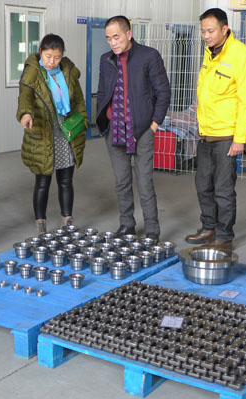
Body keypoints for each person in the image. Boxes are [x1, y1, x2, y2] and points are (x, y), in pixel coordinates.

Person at [185, 8, 246, 250]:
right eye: (203, 31)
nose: (205, 36)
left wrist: (240, 139)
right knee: (203, 184)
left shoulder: (242, 56)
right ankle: (209, 227)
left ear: (224, 29)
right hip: (205, 133)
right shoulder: (210, 54)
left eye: (210, 31)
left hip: (227, 136)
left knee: (223, 189)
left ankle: (224, 237)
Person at [96, 16, 171, 242]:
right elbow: (103, 92)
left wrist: (154, 125)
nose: (112, 42)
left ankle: (152, 230)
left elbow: (163, 92)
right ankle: (127, 225)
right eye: (108, 38)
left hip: (142, 129)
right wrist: (104, 123)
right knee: (121, 181)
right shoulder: (105, 60)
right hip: (115, 129)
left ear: (128, 34)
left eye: (116, 37)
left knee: (144, 181)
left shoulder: (149, 56)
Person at [17, 34, 89, 235]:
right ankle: (41, 222)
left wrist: (83, 119)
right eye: (48, 56)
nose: (52, 62)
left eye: (57, 57)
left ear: (62, 55)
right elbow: (25, 98)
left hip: (67, 132)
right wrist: (25, 114)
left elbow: (79, 101)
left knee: (66, 180)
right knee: (43, 182)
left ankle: (67, 219)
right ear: (41, 52)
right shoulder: (33, 72)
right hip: (43, 132)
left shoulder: (68, 71)